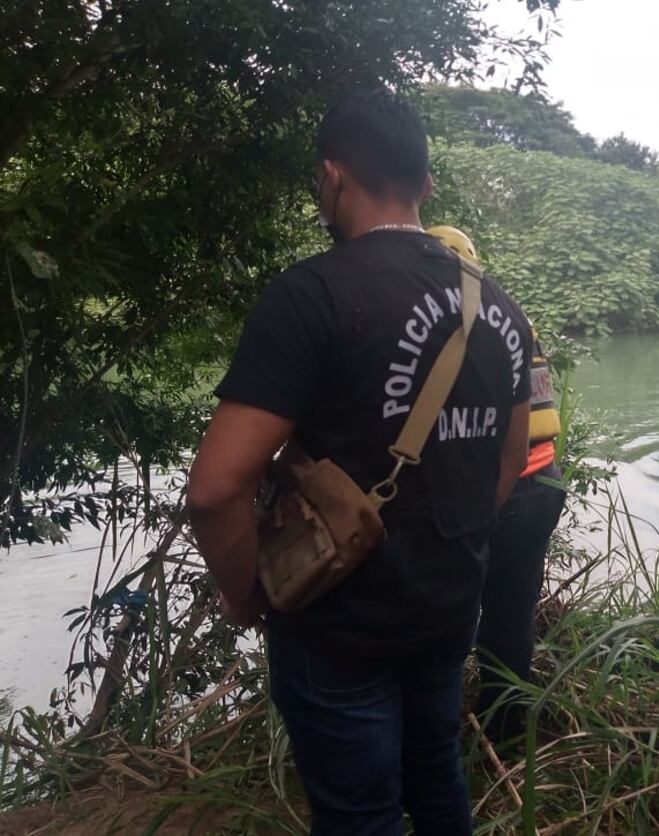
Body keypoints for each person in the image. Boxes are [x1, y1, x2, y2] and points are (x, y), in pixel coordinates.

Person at [185, 88, 532, 835]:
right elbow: (509, 462)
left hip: (338, 623)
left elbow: (215, 489)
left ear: (332, 176)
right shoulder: (500, 308)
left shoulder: (312, 295)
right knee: (436, 776)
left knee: (358, 815)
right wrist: (450, 554)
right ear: (425, 184)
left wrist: (244, 594)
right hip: (449, 608)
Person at [426, 225, 567, 748]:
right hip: (543, 485)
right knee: (511, 613)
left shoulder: (444, 322)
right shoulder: (511, 316)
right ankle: (506, 735)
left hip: (497, 489)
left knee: (449, 612)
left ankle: (439, 736)